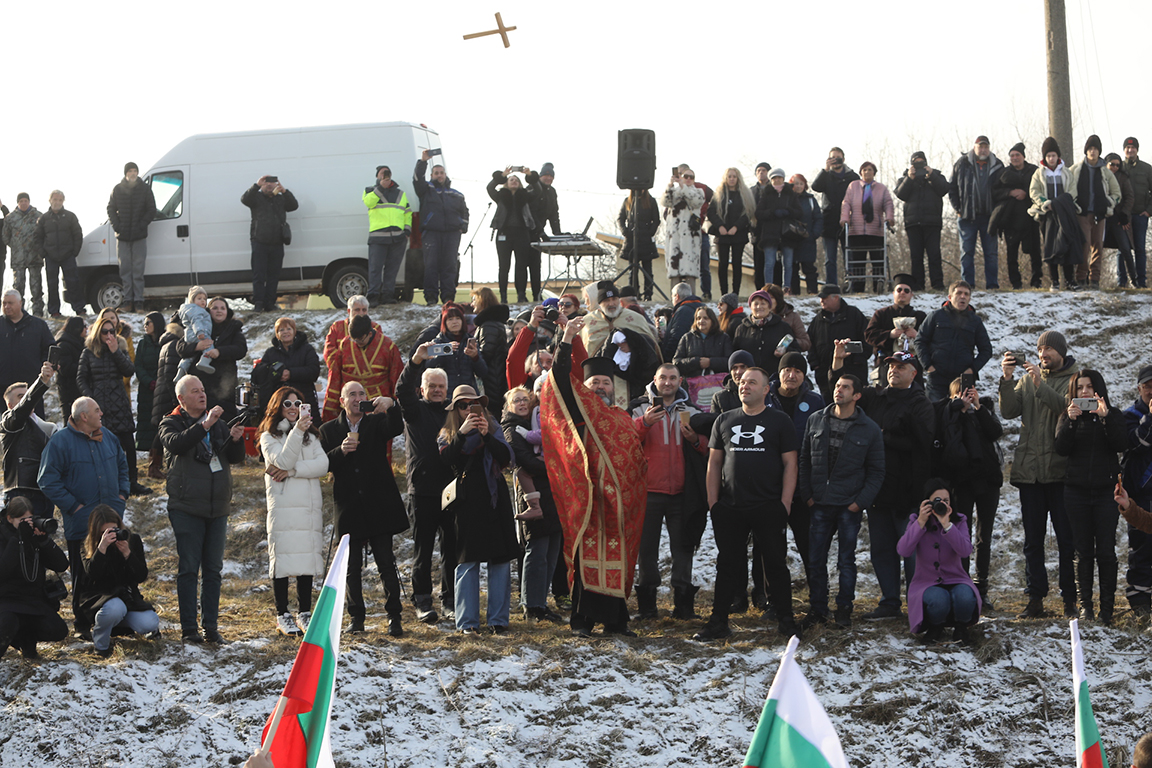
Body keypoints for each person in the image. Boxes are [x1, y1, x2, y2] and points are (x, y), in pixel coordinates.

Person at [541, 317, 646, 637]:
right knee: (587, 560)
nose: (600, 387)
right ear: (584, 388)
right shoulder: (580, 414)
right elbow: (558, 379)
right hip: (587, 501)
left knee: (619, 559)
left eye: (605, 383)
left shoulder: (621, 418)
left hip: (619, 507)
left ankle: (616, 620)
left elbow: (634, 460)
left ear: (612, 387)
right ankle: (582, 621)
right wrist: (568, 337)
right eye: (594, 383)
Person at [694, 366, 800, 641]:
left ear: (766, 389)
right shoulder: (724, 420)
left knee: (775, 563)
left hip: (768, 505)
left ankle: (786, 620)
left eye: (752, 383)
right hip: (730, 507)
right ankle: (718, 621)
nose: (745, 386)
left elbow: (790, 464)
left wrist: (785, 503)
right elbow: (714, 463)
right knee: (727, 564)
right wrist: (713, 502)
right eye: (742, 382)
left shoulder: (780, 421)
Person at [832, 347, 934, 620]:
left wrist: (884, 436)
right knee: (881, 550)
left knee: (911, 550)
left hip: (908, 490)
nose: (893, 370)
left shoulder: (920, 403)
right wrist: (840, 364)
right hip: (877, 488)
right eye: (890, 365)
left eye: (900, 367)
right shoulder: (876, 397)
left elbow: (924, 445)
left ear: (913, 373)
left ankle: (918, 603)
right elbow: (846, 391)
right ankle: (890, 602)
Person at [159, 375, 246, 643]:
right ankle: (189, 629)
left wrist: (235, 439)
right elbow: (177, 444)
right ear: (181, 399)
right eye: (195, 391)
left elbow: (235, 458)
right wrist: (205, 424)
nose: (202, 395)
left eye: (203, 390)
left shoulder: (217, 424)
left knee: (213, 570)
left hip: (217, 507)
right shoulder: (170, 422)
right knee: (188, 568)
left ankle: (211, 627)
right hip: (187, 507)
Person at [999, 330, 1078, 618]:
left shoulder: (1075, 380)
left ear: (1061, 352)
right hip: (1030, 473)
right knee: (1033, 541)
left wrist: (1038, 384)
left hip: (1060, 473)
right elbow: (1008, 411)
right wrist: (1007, 379)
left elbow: (1066, 408)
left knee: (1067, 541)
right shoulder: (1026, 378)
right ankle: (1035, 598)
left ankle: (1071, 598)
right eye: (1040, 350)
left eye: (1048, 351)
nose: (1043, 355)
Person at [319, 382, 408, 635]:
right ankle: (356, 619)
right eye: (353, 395)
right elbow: (322, 463)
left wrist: (392, 404)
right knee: (351, 567)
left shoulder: (376, 422)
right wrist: (340, 451)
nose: (358, 399)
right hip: (348, 505)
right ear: (342, 401)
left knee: (385, 562)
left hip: (378, 502)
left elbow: (397, 427)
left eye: (362, 394)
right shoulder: (328, 430)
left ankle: (394, 616)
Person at [799, 373, 885, 629]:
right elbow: (804, 459)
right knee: (815, 559)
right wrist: (808, 495)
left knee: (845, 560)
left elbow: (877, 471)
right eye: (837, 386)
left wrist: (860, 502)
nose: (839, 391)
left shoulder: (869, 428)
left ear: (857, 395)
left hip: (849, 505)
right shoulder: (816, 420)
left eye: (846, 387)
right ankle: (818, 608)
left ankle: (844, 609)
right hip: (820, 503)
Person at [37, 396, 128, 638]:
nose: (102, 414)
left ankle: (115, 619)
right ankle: (82, 623)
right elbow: (46, 479)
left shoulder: (107, 436)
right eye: (97, 410)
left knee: (112, 568)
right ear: (84, 417)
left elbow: (122, 464)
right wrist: (73, 506)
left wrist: (121, 495)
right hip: (82, 524)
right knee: (82, 573)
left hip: (111, 518)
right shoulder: (60, 442)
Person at [630, 364, 708, 621]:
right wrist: (643, 424)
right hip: (648, 490)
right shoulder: (638, 408)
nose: (667, 382)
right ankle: (647, 605)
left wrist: (695, 441)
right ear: (655, 379)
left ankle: (684, 604)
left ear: (680, 381)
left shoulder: (692, 410)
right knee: (646, 549)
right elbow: (624, 440)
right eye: (663, 377)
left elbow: (707, 447)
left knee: (684, 548)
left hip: (682, 492)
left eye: (672, 378)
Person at [438, 385, 519, 634]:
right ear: (455, 409)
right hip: (467, 502)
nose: (468, 410)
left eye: (474, 404)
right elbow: (446, 461)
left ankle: (498, 620)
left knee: (500, 560)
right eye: (463, 405)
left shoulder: (493, 428)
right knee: (467, 562)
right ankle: (467, 622)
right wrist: (462, 434)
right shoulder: (447, 433)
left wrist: (486, 435)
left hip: (495, 500)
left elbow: (506, 458)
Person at [1054, 369, 1127, 624]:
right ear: (1073, 393)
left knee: (1106, 551)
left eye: (1089, 387)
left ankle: (1107, 610)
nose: (1084, 392)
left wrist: (1105, 418)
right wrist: (1072, 421)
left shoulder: (1113, 415)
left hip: (1107, 492)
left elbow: (1120, 443)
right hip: (1076, 492)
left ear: (1099, 390)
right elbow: (1061, 448)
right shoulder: (1067, 416)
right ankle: (1086, 607)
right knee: (1083, 551)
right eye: (1079, 388)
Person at [257, 386, 328, 637]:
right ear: (277, 407)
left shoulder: (311, 436)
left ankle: (305, 612)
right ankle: (282, 613)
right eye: (287, 403)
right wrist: (297, 432)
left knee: (306, 558)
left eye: (298, 403)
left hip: (308, 506)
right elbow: (282, 461)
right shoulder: (268, 437)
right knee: (284, 558)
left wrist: (293, 472)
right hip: (284, 506)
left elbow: (323, 464)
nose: (293, 408)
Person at [395, 350, 456, 623]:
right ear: (423, 389)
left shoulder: (455, 413)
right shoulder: (414, 410)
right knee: (423, 548)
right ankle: (421, 600)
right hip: (422, 490)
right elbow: (401, 388)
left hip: (451, 490)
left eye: (441, 387)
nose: (437, 391)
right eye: (432, 386)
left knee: (451, 548)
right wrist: (416, 361)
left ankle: (450, 600)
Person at [932, 377, 1003, 607]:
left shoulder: (984, 410)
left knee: (985, 535)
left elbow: (995, 432)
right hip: (962, 482)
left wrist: (978, 407)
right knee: (962, 534)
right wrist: (958, 411)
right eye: (960, 393)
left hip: (988, 480)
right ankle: (962, 583)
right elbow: (950, 444)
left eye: (970, 391)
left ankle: (982, 587)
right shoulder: (948, 415)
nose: (966, 396)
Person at [501, 387, 564, 623]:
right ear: (508, 406)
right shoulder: (510, 428)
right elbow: (524, 461)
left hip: (552, 492)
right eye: (515, 400)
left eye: (524, 399)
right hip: (532, 495)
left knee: (551, 551)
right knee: (537, 551)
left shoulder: (537, 421)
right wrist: (556, 463)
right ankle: (532, 605)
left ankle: (541, 602)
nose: (521, 403)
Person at [767, 352, 825, 600]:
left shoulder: (815, 402)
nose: (792, 375)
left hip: (803, 490)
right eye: (787, 370)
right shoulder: (764, 398)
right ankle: (774, 600)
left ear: (804, 376)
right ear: (779, 373)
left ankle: (818, 599)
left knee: (810, 548)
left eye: (798, 371)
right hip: (770, 488)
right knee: (771, 549)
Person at [896, 480, 981, 645]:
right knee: (938, 600)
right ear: (927, 502)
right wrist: (920, 522)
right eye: (937, 500)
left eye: (946, 501)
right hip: (926, 582)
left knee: (965, 597)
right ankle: (935, 626)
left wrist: (947, 525)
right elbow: (903, 550)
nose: (941, 504)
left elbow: (965, 551)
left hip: (957, 579)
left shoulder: (959, 520)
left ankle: (961, 627)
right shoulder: (916, 520)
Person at [79, 316, 148, 498]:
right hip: (99, 406)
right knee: (103, 446)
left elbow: (128, 371)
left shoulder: (120, 348)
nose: (109, 335)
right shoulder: (88, 352)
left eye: (112, 331)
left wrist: (116, 351)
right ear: (97, 333)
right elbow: (81, 378)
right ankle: (109, 484)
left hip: (119, 402)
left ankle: (132, 482)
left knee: (128, 445)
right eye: (105, 331)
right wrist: (91, 398)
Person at [78, 505, 159, 657]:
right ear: (97, 532)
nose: (111, 536)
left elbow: (141, 576)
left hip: (127, 598)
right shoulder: (88, 545)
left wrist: (128, 554)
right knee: (115, 608)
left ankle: (118, 625)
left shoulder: (132, 540)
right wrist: (101, 548)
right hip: (101, 599)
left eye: (114, 530)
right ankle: (101, 645)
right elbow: (92, 574)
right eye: (105, 532)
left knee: (150, 622)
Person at [0, 496, 69, 659]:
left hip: (33, 600)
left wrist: (44, 540)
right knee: (8, 623)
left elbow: (61, 565)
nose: (28, 523)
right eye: (22, 520)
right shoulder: (2, 536)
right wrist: (18, 540)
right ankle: (15, 638)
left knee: (58, 630)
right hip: (6, 600)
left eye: (30, 519)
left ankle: (27, 643)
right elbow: (3, 571)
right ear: (10, 519)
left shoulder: (33, 537)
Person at [914, 281, 993, 403]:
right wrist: (928, 366)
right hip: (937, 377)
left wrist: (972, 370)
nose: (963, 297)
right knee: (934, 415)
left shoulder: (975, 321)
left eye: (966, 294)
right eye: (959, 293)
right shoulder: (935, 316)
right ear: (950, 297)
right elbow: (920, 341)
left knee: (961, 416)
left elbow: (986, 350)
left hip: (963, 379)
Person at [322, 313, 403, 423]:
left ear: (370, 334)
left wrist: (395, 404)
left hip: (377, 404)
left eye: (360, 340)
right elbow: (335, 376)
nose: (356, 343)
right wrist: (331, 406)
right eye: (353, 340)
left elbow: (396, 377)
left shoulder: (388, 346)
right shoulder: (345, 344)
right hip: (351, 404)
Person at [1, 362, 59, 514]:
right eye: (21, 396)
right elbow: (22, 410)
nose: (27, 398)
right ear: (10, 404)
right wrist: (42, 380)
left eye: (28, 394)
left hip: (45, 492)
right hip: (20, 492)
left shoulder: (49, 427)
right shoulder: (9, 422)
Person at [413, 150, 469, 305]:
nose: (439, 175)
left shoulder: (456, 194)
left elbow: (465, 211)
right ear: (432, 175)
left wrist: (462, 226)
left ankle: (448, 297)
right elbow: (417, 179)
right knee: (431, 265)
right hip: (431, 233)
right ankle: (431, 297)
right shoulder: (426, 191)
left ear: (446, 175)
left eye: (442, 173)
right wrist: (423, 161)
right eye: (436, 173)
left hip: (452, 234)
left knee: (449, 266)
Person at [949, 135, 1003, 289]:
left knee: (991, 254)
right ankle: (968, 286)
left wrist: (998, 212)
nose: (983, 149)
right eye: (980, 146)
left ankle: (992, 285)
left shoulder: (997, 165)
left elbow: (1003, 189)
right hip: (967, 217)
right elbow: (951, 187)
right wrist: (958, 209)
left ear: (989, 148)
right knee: (966, 253)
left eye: (986, 146)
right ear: (974, 147)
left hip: (990, 217)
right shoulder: (962, 163)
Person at [1028, 137, 1082, 291]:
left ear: (1058, 156)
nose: (1051, 158)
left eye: (1054, 155)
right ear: (1044, 157)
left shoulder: (1066, 172)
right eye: (1048, 156)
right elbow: (1034, 192)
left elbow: (1072, 191)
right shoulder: (1039, 173)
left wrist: (1063, 204)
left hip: (1064, 213)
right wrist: (1046, 203)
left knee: (1068, 244)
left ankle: (1070, 280)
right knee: (1050, 247)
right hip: (1047, 215)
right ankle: (1055, 281)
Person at [242, 175, 300, 312]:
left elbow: (294, 206)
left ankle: (270, 303)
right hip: (259, 242)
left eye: (272, 183)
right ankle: (258, 303)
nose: (269, 185)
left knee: (274, 275)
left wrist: (284, 191)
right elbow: (245, 199)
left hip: (277, 243)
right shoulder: (256, 198)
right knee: (259, 275)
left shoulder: (280, 199)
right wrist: (256, 185)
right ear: (262, 185)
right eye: (266, 182)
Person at [1121, 365, 1152, 619]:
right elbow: (1140, 442)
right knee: (1141, 547)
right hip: (1140, 494)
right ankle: (1140, 602)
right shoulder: (1130, 415)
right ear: (1139, 388)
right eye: (1148, 386)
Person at [1070, 135, 1122, 288]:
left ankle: (1095, 279)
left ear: (1099, 152)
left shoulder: (1106, 172)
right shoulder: (1076, 169)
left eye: (1096, 149)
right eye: (1090, 149)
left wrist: (1109, 204)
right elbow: (1068, 189)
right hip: (1082, 213)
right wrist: (1073, 204)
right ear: (1086, 151)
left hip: (1100, 214)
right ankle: (1080, 278)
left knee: (1098, 246)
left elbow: (1116, 193)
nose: (1093, 152)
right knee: (1084, 245)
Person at [894, 151, 950, 291]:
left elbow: (944, 189)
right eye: (916, 162)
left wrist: (932, 176)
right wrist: (910, 178)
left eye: (921, 162)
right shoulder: (904, 178)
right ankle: (918, 285)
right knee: (916, 256)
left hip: (932, 222)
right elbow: (900, 194)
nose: (919, 165)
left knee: (934, 255)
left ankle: (937, 284)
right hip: (913, 223)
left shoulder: (935, 175)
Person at [990, 143, 1042, 290]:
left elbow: (1041, 188)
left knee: (1035, 251)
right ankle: (1016, 283)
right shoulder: (1003, 173)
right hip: (1010, 220)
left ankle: (1036, 281)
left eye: (1017, 155)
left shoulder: (1034, 171)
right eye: (1012, 156)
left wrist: (1025, 193)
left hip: (1031, 217)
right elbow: (994, 192)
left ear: (1023, 156)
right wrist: (1010, 193)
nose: (1014, 158)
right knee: (1011, 254)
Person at [107, 162, 157, 311]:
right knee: (125, 270)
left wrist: (142, 225)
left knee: (138, 270)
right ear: (126, 173)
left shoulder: (145, 189)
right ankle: (128, 302)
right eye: (130, 171)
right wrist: (117, 226)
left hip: (139, 236)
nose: (133, 173)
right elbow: (110, 208)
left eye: (135, 171)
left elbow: (151, 209)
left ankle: (139, 302)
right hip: (122, 237)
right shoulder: (117, 189)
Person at [806, 284, 868, 403]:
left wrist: (859, 359)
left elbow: (867, 339)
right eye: (821, 298)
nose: (821, 301)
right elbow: (810, 344)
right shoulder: (817, 320)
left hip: (854, 372)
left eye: (825, 297)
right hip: (825, 375)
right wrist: (816, 365)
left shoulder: (854, 315)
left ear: (836, 298)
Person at [840, 161, 894, 293]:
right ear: (860, 173)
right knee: (858, 261)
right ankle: (858, 287)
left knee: (877, 259)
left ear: (874, 172)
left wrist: (889, 217)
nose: (867, 172)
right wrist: (844, 218)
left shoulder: (881, 188)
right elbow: (846, 203)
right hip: (856, 229)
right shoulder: (853, 186)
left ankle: (878, 285)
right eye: (864, 170)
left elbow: (888, 203)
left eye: (869, 170)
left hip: (875, 230)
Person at [487, 167, 540, 304]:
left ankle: (521, 295)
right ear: (506, 182)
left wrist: (530, 175)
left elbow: (538, 190)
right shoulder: (500, 195)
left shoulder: (525, 195)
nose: (514, 181)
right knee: (504, 266)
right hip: (504, 232)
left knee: (521, 265)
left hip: (522, 233)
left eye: (516, 180)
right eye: (511, 179)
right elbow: (490, 187)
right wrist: (502, 175)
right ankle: (503, 296)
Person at [0, 291, 55, 420]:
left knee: (35, 429)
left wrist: (47, 367)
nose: (7, 306)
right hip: (3, 390)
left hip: (31, 389)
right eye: (4, 303)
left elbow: (50, 350)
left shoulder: (38, 325)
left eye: (10, 303)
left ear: (20, 303)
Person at [362, 165, 412, 306]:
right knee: (375, 269)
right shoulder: (370, 190)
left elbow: (407, 213)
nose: (384, 175)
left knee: (392, 269)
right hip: (378, 237)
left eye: (387, 173)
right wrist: (381, 188)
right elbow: (368, 202)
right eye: (382, 173)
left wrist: (407, 231)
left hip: (398, 238)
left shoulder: (400, 193)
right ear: (377, 176)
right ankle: (373, 297)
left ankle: (388, 296)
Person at [864, 274, 926, 385]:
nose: (902, 293)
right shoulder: (881, 314)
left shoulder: (920, 316)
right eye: (899, 290)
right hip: (886, 364)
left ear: (911, 295)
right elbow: (869, 335)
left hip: (913, 366)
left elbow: (930, 339)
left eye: (906, 291)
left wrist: (918, 335)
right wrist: (889, 334)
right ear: (894, 293)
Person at [253, 317, 321, 417]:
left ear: (294, 331)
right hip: (279, 402)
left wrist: (291, 374)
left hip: (304, 399)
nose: (286, 332)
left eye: (289, 329)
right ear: (277, 334)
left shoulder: (307, 349)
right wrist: (275, 373)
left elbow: (314, 371)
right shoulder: (270, 352)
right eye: (281, 330)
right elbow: (260, 374)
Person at [812, 148, 860, 287]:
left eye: (838, 158)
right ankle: (831, 286)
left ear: (843, 159)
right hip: (829, 221)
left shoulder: (852, 177)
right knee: (830, 259)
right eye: (832, 158)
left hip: (848, 221)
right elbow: (816, 187)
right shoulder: (826, 175)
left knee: (849, 256)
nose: (835, 161)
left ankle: (851, 285)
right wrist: (825, 169)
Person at [196, 298, 248, 421]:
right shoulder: (199, 327)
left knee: (225, 423)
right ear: (208, 311)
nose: (219, 311)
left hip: (225, 385)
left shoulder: (234, 328)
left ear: (227, 311)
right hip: (202, 384)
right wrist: (196, 347)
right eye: (215, 308)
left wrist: (220, 352)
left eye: (222, 308)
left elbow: (240, 349)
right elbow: (182, 348)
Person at [580, 281, 659, 360]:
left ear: (619, 300)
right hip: (599, 368)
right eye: (607, 300)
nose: (611, 304)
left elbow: (649, 345)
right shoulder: (587, 321)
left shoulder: (636, 318)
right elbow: (582, 350)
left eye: (614, 299)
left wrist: (631, 343)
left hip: (633, 368)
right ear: (600, 303)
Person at [707, 168, 754, 297]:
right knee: (723, 264)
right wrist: (720, 226)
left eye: (734, 176)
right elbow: (711, 212)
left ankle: (735, 294)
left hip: (738, 234)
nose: (732, 179)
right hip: (722, 235)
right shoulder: (719, 194)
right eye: (729, 176)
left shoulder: (744, 194)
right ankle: (724, 294)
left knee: (737, 264)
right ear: (725, 178)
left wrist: (736, 227)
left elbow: (748, 213)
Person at [754, 168, 801, 292]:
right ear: (771, 180)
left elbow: (799, 212)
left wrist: (788, 211)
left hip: (788, 233)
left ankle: (787, 287)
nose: (777, 180)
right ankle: (768, 288)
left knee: (788, 263)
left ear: (783, 179)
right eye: (774, 178)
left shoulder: (790, 193)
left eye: (779, 178)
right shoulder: (766, 193)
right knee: (769, 263)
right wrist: (772, 213)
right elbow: (758, 213)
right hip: (770, 233)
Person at [661, 168, 705, 294]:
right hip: (674, 237)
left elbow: (696, 202)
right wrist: (670, 185)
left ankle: (691, 298)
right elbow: (665, 201)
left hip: (690, 238)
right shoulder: (674, 192)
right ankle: (675, 298)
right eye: (686, 176)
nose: (689, 179)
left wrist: (683, 187)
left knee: (689, 271)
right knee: (675, 272)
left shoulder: (698, 191)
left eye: (692, 177)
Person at [732, 289, 798, 371]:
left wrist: (785, 352)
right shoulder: (742, 328)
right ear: (750, 307)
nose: (759, 307)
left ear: (770, 307)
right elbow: (735, 353)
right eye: (756, 304)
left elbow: (796, 351)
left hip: (775, 376)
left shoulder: (783, 327)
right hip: (749, 378)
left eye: (763, 303)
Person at [428, 303, 486, 395]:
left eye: (458, 318)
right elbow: (429, 367)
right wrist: (444, 350)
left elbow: (482, 372)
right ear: (445, 323)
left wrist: (475, 357)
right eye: (450, 319)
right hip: (446, 395)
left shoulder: (470, 341)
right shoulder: (437, 341)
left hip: (468, 393)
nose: (455, 322)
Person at [4, 194, 45, 317]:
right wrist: (17, 246)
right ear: (17, 203)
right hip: (18, 259)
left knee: (36, 287)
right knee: (18, 287)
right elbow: (6, 237)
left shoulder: (38, 216)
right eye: (21, 201)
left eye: (25, 201)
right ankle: (18, 312)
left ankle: (38, 312)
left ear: (29, 202)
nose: (23, 203)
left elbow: (43, 235)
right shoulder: (10, 218)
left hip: (34, 257)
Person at [471, 287, 510, 418]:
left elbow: (486, 353)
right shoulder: (493, 323)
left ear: (482, 301)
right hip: (496, 380)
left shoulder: (489, 325)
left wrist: (470, 354)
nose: (472, 304)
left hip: (492, 382)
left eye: (474, 300)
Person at [134, 312, 164, 476]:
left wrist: (160, 382)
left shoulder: (165, 341)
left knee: (161, 424)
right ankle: (152, 464)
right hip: (146, 391)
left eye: (149, 322)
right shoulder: (142, 344)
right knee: (147, 425)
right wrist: (148, 381)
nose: (146, 325)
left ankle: (158, 463)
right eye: (145, 323)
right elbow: (138, 366)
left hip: (163, 390)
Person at [619, 189, 661, 301]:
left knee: (647, 269)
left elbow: (656, 220)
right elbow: (621, 218)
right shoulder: (628, 201)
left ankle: (648, 294)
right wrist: (625, 232)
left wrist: (649, 232)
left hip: (645, 240)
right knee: (632, 270)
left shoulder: (650, 201)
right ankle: (634, 294)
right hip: (632, 239)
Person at [1105, 152, 1138, 288]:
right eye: (1112, 164)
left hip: (1118, 218)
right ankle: (1091, 280)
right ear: (1106, 164)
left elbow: (1130, 197)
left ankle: (1133, 280)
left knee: (1125, 248)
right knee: (1094, 248)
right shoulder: (1099, 175)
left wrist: (1124, 214)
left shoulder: (1123, 178)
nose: (1115, 167)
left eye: (1118, 165)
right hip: (1101, 217)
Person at [1122, 137, 1152, 288]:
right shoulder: (1118, 167)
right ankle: (1122, 282)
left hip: (1140, 215)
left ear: (1137, 150)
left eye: (1132, 148)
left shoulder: (1147, 169)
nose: (1130, 150)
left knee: (1139, 249)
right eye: (1127, 147)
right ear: (1124, 150)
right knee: (1122, 249)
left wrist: (1148, 211)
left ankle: (1141, 282)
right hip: (1123, 216)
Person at [673, 305, 732, 380]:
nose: (701, 321)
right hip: (692, 385)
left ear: (712, 320)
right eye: (698, 318)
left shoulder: (723, 338)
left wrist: (710, 362)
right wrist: (696, 362)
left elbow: (730, 361)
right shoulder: (687, 338)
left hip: (718, 384)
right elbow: (677, 362)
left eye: (705, 318)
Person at [790, 174, 823, 295]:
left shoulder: (811, 200)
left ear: (805, 185)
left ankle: (812, 292)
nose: (798, 186)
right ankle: (794, 294)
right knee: (792, 268)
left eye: (801, 183)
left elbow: (818, 218)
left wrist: (814, 234)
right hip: (791, 239)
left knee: (809, 268)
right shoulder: (788, 199)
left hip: (807, 239)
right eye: (796, 183)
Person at [175, 286, 217, 376]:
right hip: (199, 333)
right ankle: (205, 361)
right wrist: (200, 332)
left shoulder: (189, 310)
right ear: (192, 300)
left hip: (189, 336)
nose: (203, 301)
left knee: (189, 357)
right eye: (199, 298)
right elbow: (196, 321)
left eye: (204, 299)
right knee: (209, 345)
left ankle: (180, 372)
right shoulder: (197, 311)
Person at [53, 317, 85, 421]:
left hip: (79, 389)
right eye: (84, 327)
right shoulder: (64, 344)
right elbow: (65, 369)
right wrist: (85, 366)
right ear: (77, 328)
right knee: (71, 421)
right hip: (69, 391)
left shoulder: (79, 342)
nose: (86, 329)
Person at [530, 162, 561, 243]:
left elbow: (554, 214)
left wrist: (557, 232)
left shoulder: (552, 192)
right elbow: (531, 213)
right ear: (540, 176)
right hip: (527, 231)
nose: (549, 178)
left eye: (551, 176)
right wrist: (540, 232)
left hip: (538, 232)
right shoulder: (533, 188)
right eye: (546, 175)